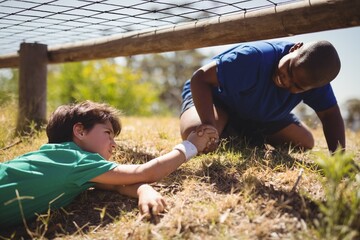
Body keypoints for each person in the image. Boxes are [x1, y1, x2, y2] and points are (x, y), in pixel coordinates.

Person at [0, 100, 218, 228]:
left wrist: (144, 189)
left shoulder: (62, 162)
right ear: (80, 131)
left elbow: (115, 184)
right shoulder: (76, 159)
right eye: (108, 134)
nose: (114, 145)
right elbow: (145, 171)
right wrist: (191, 146)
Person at [180, 40, 345, 153]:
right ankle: (227, 126)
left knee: (304, 143)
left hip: (261, 114)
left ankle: (243, 131)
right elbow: (200, 78)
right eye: (288, 69)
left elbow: (330, 115)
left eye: (297, 86)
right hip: (218, 100)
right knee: (197, 135)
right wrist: (209, 125)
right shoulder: (252, 58)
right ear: (295, 48)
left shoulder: (314, 80)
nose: (286, 81)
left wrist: (339, 159)